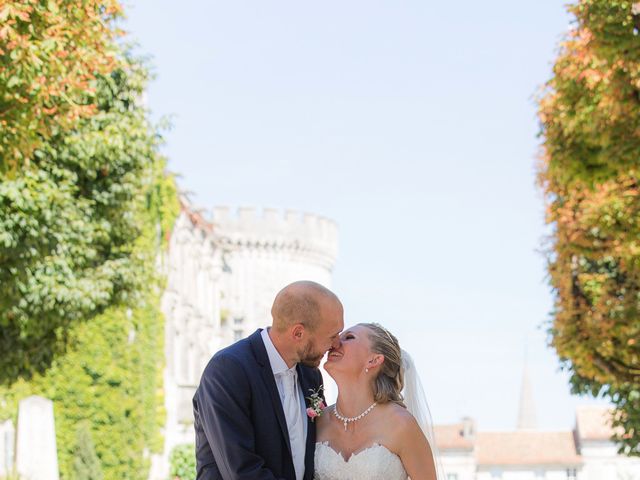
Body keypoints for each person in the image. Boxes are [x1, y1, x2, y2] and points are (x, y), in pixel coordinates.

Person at [193, 280, 344, 480]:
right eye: (332, 336)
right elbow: (241, 471)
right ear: (298, 333)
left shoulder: (311, 376)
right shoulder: (228, 370)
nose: (336, 344)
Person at [314, 323, 442, 480]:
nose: (334, 344)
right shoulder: (318, 421)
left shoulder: (401, 424)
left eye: (349, 337)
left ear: (373, 360)